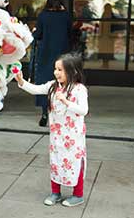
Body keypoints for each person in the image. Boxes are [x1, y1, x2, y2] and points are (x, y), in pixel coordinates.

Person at [15, 53, 88, 207]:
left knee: (74, 162)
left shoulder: (79, 89)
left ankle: (78, 194)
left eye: (60, 70)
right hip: (56, 135)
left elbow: (84, 110)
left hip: (73, 137)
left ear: (73, 72)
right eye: (56, 69)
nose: (56, 73)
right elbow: (36, 89)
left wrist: (66, 101)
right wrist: (21, 81)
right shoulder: (53, 86)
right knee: (56, 161)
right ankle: (55, 193)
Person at [32, 0, 72, 126]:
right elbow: (69, 33)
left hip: (46, 55)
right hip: (62, 55)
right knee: (62, 84)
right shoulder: (66, 15)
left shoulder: (43, 15)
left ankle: (45, 114)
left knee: (46, 85)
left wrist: (33, 31)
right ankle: (60, 114)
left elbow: (38, 35)